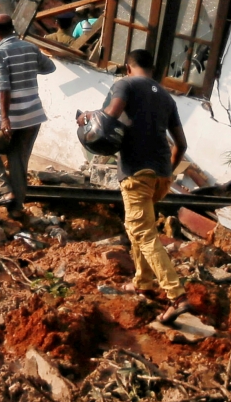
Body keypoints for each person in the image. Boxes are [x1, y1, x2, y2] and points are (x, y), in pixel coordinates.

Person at [80, 49, 189, 318]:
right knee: (137, 227)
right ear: (152, 69)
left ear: (128, 67)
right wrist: (166, 173)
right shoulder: (166, 97)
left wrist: (88, 117)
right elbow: (182, 145)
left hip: (137, 171)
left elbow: (110, 115)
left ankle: (177, 296)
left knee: (143, 233)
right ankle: (143, 282)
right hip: (161, 175)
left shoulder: (125, 84)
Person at [0, 13, 55, 217]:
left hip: (10, 117)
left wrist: (5, 118)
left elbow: (3, 89)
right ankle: (16, 209)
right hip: (32, 115)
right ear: (12, 28)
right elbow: (49, 67)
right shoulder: (31, 47)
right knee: (18, 158)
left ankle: (4, 192)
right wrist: (27, 68)